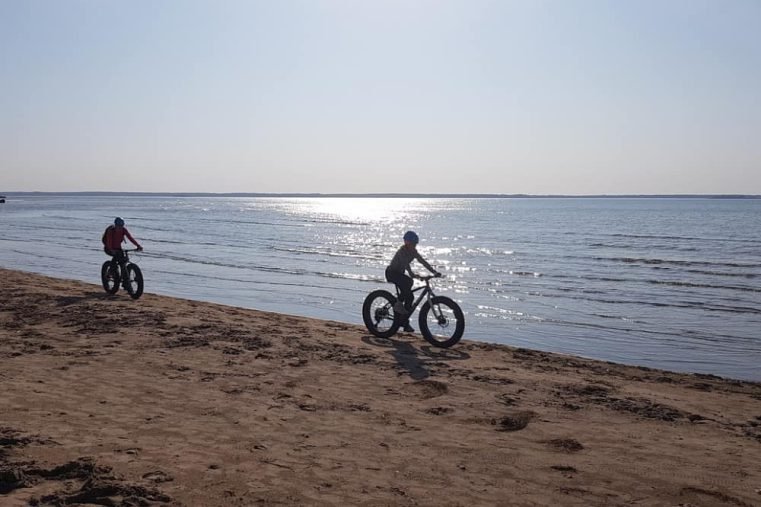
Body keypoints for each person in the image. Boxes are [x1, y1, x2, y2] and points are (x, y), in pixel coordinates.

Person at [385, 230, 441, 333]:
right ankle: (398, 304)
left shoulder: (413, 252)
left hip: (399, 274)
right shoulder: (402, 251)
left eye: (415, 244)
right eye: (413, 244)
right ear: (407, 243)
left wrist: (434, 272)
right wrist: (412, 274)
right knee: (408, 282)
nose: (414, 246)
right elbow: (406, 264)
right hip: (391, 273)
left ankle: (404, 322)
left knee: (410, 296)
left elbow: (423, 262)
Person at [102, 217, 143, 286]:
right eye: (118, 226)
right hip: (108, 248)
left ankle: (125, 280)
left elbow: (130, 238)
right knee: (117, 257)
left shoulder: (124, 230)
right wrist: (112, 250)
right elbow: (109, 241)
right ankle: (110, 272)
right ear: (115, 225)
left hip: (118, 248)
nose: (120, 227)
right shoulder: (111, 231)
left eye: (121, 226)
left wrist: (138, 245)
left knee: (122, 261)